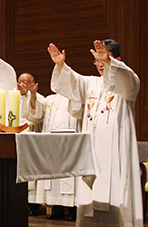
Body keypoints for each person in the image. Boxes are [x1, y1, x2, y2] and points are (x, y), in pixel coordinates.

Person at [48, 39, 142, 226]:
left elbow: (128, 79)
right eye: (97, 60)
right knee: (89, 201)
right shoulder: (92, 84)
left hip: (116, 153)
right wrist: (60, 65)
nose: (100, 64)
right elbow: (72, 81)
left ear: (118, 60)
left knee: (116, 194)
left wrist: (110, 63)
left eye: (104, 59)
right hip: (93, 152)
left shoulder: (128, 83)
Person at [21, 75, 82, 221]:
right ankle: (57, 209)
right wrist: (33, 94)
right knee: (54, 178)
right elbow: (35, 115)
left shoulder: (77, 99)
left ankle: (73, 210)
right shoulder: (50, 100)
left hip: (70, 146)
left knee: (70, 177)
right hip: (52, 147)